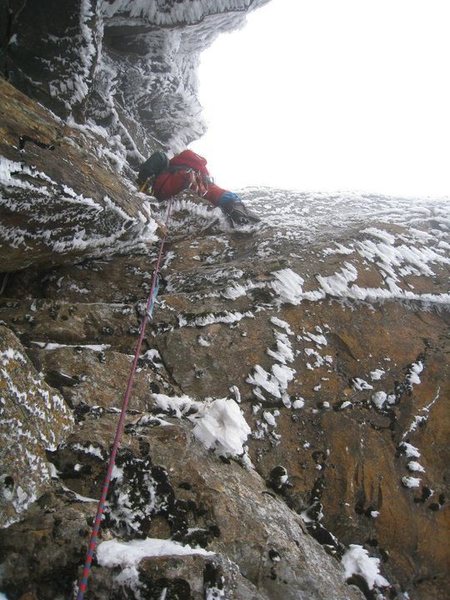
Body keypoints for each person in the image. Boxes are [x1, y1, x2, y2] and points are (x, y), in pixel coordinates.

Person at [138, 149, 260, 226]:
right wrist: (236, 209)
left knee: (160, 156)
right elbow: (220, 194)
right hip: (173, 202)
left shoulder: (167, 165)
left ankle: (140, 187)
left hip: (156, 193)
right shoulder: (202, 180)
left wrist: (143, 181)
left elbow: (157, 160)